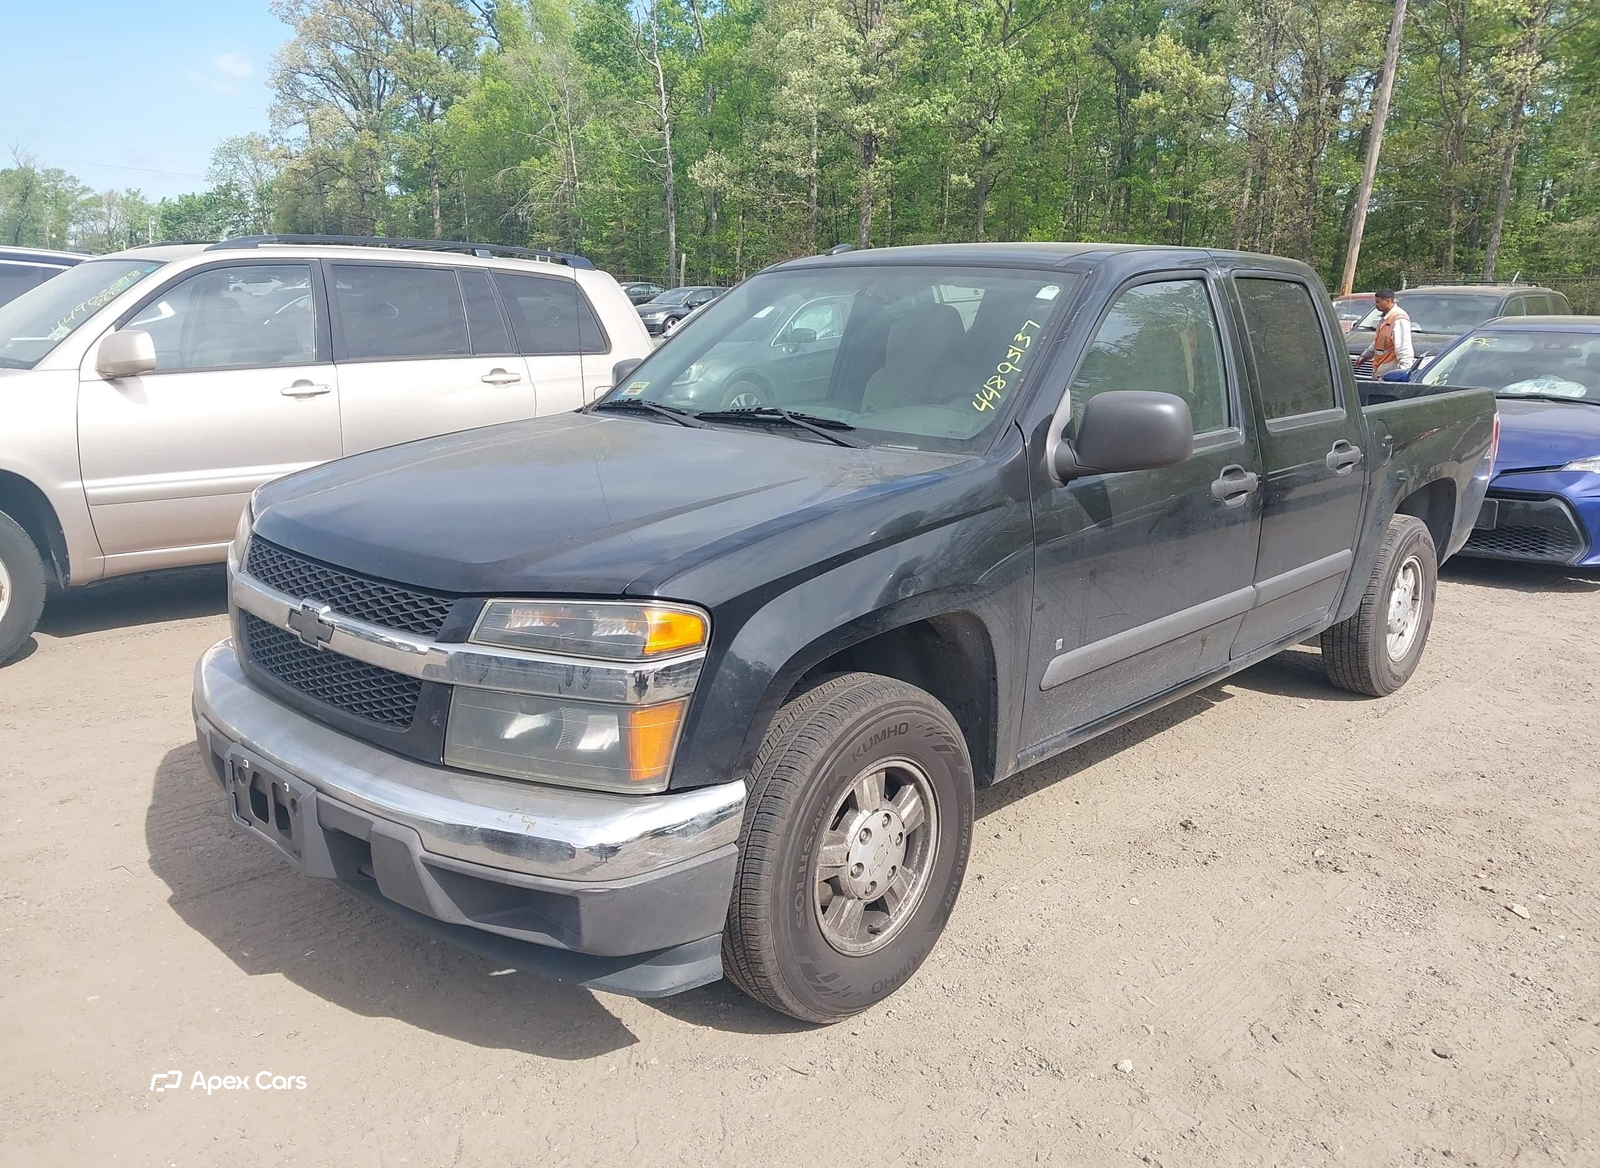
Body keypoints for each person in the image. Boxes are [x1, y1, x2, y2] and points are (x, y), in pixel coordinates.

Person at [1358, 289, 1414, 379]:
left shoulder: (1399, 318)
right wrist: (1365, 356)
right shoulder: (1384, 318)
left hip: (1390, 374)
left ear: (1387, 301)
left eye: (1378, 302)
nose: (1376, 305)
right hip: (1380, 371)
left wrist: (1403, 372)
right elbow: (1378, 342)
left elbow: (1404, 347)